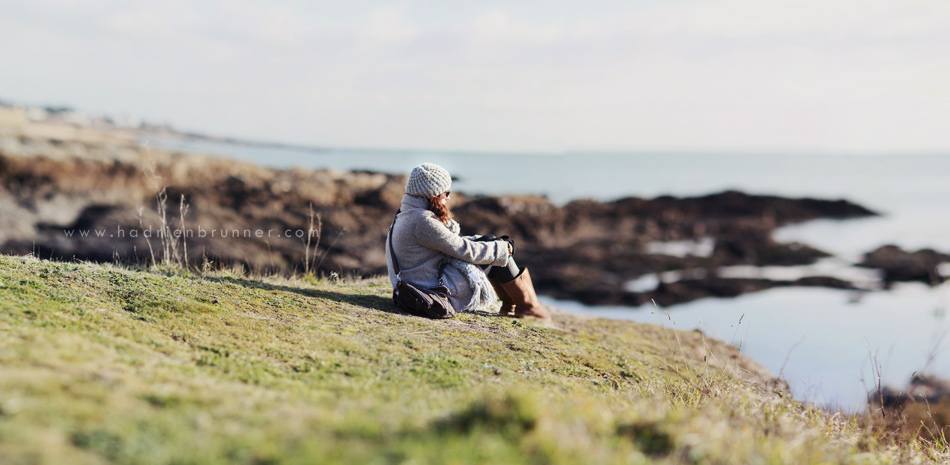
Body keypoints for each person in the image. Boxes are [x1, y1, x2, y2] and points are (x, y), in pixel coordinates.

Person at [385, 163, 551, 320]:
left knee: (490, 242)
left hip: (417, 283)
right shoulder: (422, 221)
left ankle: (512, 305)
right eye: (446, 193)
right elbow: (464, 249)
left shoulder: (406, 213)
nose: (448, 198)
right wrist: (501, 250)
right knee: (497, 251)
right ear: (433, 195)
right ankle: (528, 307)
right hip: (431, 291)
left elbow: (450, 243)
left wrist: (492, 245)